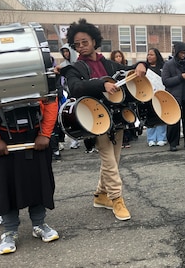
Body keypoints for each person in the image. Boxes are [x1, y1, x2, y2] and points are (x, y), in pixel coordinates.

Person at [0, 60, 59, 254]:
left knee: (38, 180)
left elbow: (50, 99)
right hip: (0, 135)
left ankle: (39, 224)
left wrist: (45, 133)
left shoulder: (37, 65)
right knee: (4, 185)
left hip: (34, 133)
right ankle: (9, 231)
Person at [61, 18, 147, 221]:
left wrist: (141, 65)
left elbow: (129, 69)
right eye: (77, 44)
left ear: (94, 40)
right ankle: (117, 199)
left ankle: (100, 195)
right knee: (109, 159)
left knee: (113, 160)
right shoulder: (75, 68)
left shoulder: (107, 63)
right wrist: (102, 85)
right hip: (93, 118)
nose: (81, 46)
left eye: (85, 41)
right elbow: (75, 87)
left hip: (116, 116)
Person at [162, 42, 185, 152]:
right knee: (173, 121)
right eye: (181, 53)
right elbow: (166, 81)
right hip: (174, 97)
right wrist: (180, 77)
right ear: (176, 53)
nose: (183, 55)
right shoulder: (168, 64)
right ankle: (173, 143)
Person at [55, 44, 80, 150]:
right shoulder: (62, 66)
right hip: (68, 93)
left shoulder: (79, 64)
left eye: (67, 51)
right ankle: (75, 139)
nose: (66, 54)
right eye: (64, 52)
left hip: (79, 91)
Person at [110, 50, 134, 148]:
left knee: (126, 116)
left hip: (125, 96)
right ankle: (116, 140)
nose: (118, 58)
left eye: (120, 56)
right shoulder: (110, 68)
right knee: (116, 118)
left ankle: (126, 139)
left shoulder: (124, 69)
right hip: (114, 96)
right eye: (116, 57)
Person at [146, 48, 167, 147]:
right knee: (151, 116)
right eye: (148, 55)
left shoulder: (163, 67)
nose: (149, 57)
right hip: (149, 97)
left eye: (152, 55)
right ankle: (151, 138)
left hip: (161, 95)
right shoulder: (145, 68)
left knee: (161, 115)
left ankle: (162, 137)